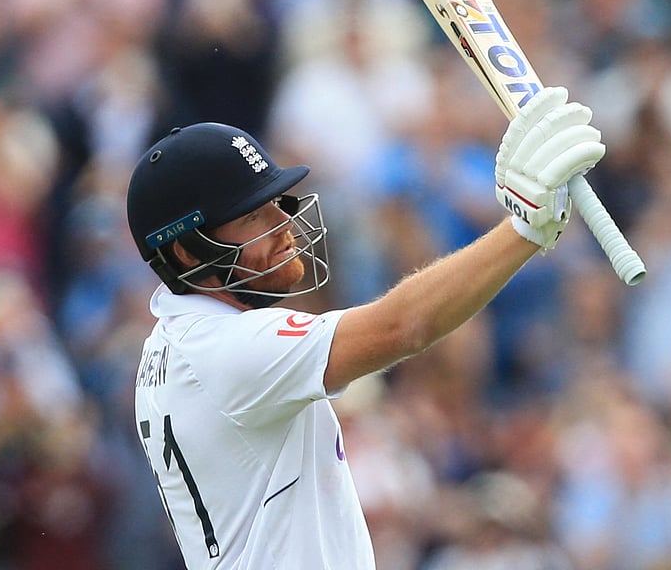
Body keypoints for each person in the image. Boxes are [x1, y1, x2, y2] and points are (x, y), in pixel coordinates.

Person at [124, 86, 605, 569]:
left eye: (276, 202)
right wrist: (523, 228)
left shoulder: (175, 342)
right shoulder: (225, 351)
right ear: (186, 252)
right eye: (253, 216)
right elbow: (403, 327)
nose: (284, 222)